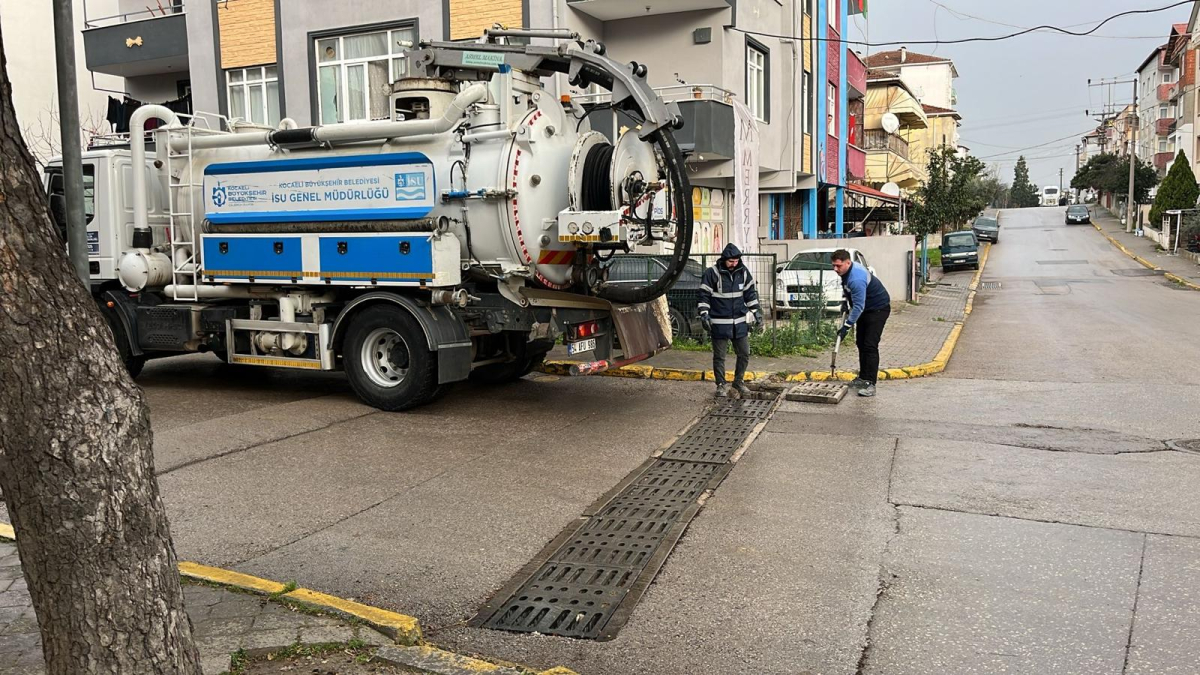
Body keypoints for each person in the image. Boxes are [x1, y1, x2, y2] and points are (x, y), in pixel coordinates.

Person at [698, 243, 759, 398]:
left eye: (736, 261)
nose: (734, 264)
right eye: (731, 261)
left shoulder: (743, 273)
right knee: (719, 357)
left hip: (739, 323)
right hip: (719, 324)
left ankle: (739, 382)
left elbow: (750, 294)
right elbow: (703, 296)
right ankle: (720, 385)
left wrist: (756, 311)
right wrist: (704, 314)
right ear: (724, 259)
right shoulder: (712, 273)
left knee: (744, 353)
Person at [832, 249, 891, 397]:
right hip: (865, 309)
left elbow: (858, 306)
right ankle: (862, 378)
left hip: (878, 309)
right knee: (860, 343)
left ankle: (870, 383)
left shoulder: (856, 278)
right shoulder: (845, 273)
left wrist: (847, 326)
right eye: (833, 265)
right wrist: (845, 301)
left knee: (870, 345)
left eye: (838, 266)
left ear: (848, 262)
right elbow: (848, 292)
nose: (835, 269)